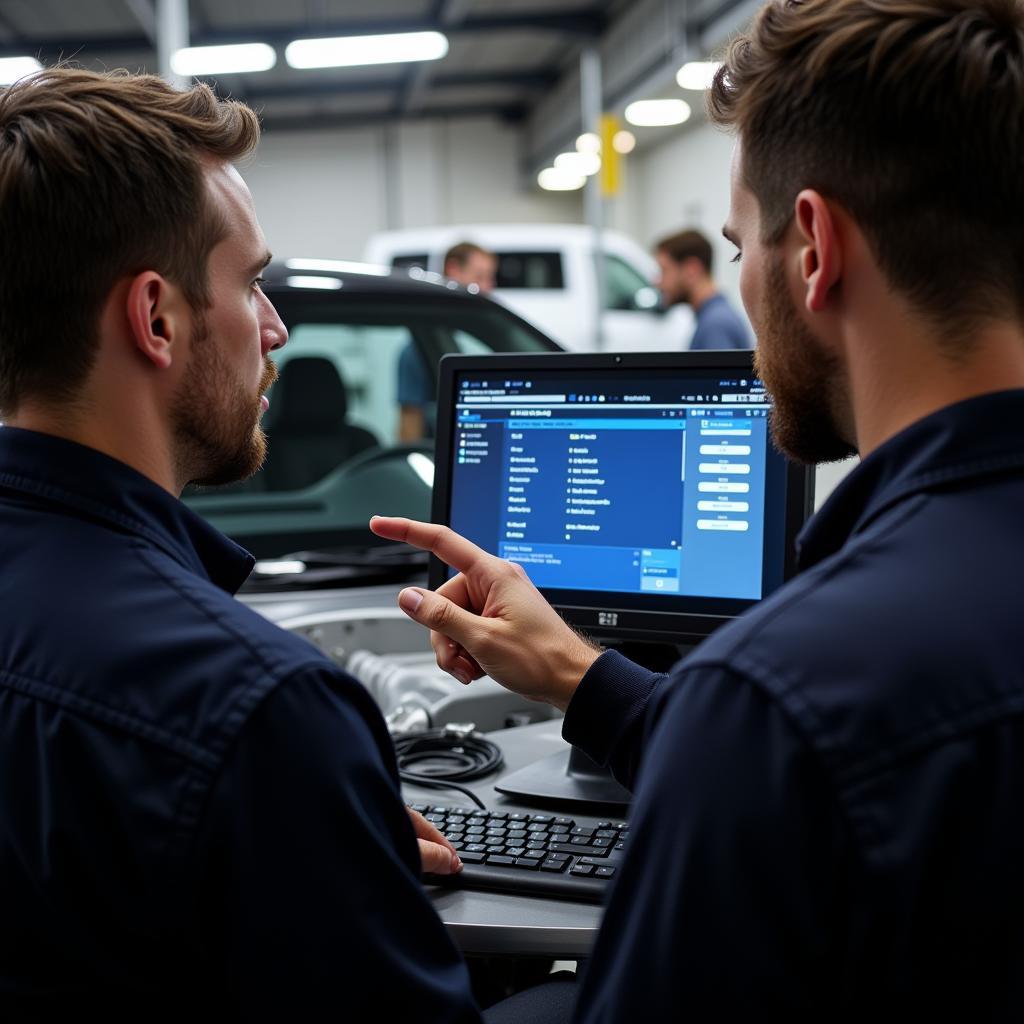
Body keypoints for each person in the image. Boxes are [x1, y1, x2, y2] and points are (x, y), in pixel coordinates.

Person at [372, 0, 1024, 1017]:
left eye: (739, 245)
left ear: (812, 248)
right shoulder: (781, 700)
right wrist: (589, 681)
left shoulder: (778, 696)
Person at [0, 67, 502, 1021]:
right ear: (156, 317)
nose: (275, 328)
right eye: (253, 282)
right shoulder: (258, 710)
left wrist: (307, 830)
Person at [397, 242, 498, 442]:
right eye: (479, 277)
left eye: (491, 278)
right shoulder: (420, 348)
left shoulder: (464, 337)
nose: (488, 287)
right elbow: (409, 429)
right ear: (453, 269)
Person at [654, 227, 752, 349]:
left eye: (664, 271)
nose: (657, 282)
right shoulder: (714, 317)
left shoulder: (716, 325)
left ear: (692, 270)